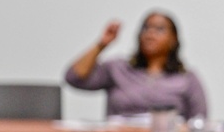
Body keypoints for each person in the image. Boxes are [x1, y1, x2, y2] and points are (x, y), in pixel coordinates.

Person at [64, 11, 207, 119]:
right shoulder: (118, 69)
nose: (150, 33)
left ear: (173, 39)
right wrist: (101, 44)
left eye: (159, 29)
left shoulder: (187, 79)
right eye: (146, 28)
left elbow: (199, 122)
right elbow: (74, 78)